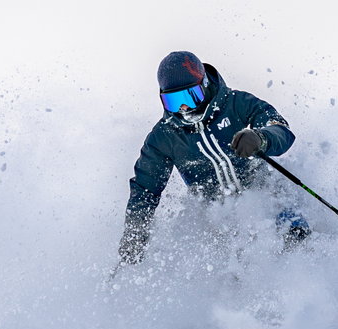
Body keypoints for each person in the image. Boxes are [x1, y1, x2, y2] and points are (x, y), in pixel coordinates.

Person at [118, 51, 310, 265]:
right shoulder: (164, 137)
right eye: (173, 101)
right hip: (219, 219)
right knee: (234, 268)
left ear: (205, 84)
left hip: (265, 199)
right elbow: (145, 188)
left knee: (295, 240)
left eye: (190, 97)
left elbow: (280, 129)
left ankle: (310, 269)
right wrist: (135, 232)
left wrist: (260, 138)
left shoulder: (236, 103)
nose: (184, 108)